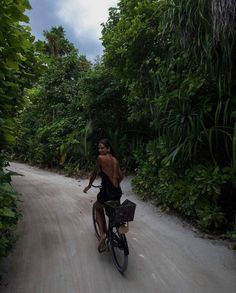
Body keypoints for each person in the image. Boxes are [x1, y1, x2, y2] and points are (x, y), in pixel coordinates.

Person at [83, 138, 123, 252]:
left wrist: (89, 186)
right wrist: (114, 184)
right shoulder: (115, 160)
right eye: (99, 148)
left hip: (106, 193)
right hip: (117, 193)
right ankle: (114, 229)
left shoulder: (100, 158)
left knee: (98, 208)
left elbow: (94, 173)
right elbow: (122, 177)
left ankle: (102, 235)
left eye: (102, 148)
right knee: (112, 211)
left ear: (108, 148)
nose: (100, 150)